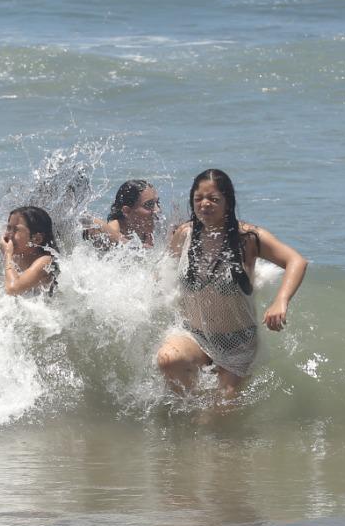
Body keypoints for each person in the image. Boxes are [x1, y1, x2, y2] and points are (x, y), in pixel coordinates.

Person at [156, 169, 308, 402]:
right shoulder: (184, 234)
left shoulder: (248, 238)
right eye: (198, 199)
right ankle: (187, 407)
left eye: (214, 199)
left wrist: (280, 301)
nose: (205, 204)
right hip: (194, 335)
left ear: (228, 202)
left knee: (218, 414)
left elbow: (296, 261)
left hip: (237, 343)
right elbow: (164, 272)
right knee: (168, 360)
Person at [83, 179, 162, 250]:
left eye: (157, 203)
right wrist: (127, 244)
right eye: (149, 205)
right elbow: (93, 223)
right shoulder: (110, 233)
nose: (158, 210)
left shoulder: (149, 234)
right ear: (127, 211)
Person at [0, 205, 58, 297]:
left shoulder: (45, 261)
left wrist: (7, 255)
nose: (8, 235)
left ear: (37, 239)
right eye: (8, 228)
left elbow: (12, 289)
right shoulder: (18, 256)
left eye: (16, 230)